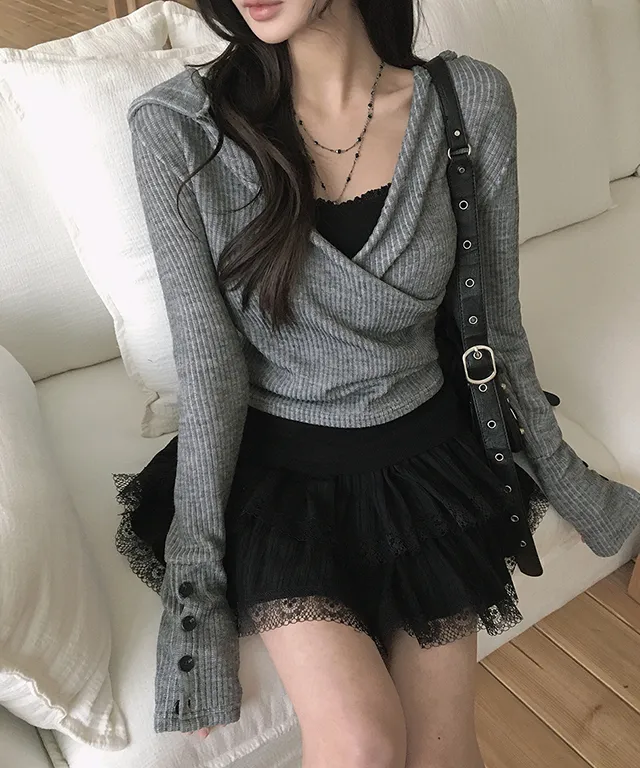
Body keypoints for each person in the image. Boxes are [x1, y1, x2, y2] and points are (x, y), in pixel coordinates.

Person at [113, 1, 640, 765]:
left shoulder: (468, 102)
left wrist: (577, 486)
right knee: (361, 745)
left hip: (427, 463)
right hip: (279, 479)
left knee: (443, 753)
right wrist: (195, 594)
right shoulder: (180, 129)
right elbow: (208, 365)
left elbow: (493, 331)